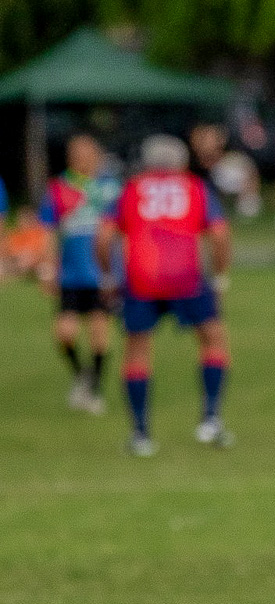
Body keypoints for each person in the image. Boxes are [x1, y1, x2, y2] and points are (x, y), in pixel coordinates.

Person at [97, 135, 234, 457]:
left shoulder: (130, 189)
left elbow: (104, 237)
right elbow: (219, 235)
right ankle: (211, 418)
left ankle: (141, 433)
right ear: (182, 162)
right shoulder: (195, 187)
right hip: (187, 276)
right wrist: (220, 276)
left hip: (141, 277)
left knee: (137, 350)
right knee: (213, 339)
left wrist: (107, 276)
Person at [39, 133, 122, 414]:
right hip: (71, 274)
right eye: (76, 152)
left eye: (87, 152)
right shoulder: (59, 188)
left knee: (99, 334)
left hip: (102, 275)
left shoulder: (111, 189)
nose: (81, 157)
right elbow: (48, 231)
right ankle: (81, 374)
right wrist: (48, 268)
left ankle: (94, 391)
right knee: (65, 333)